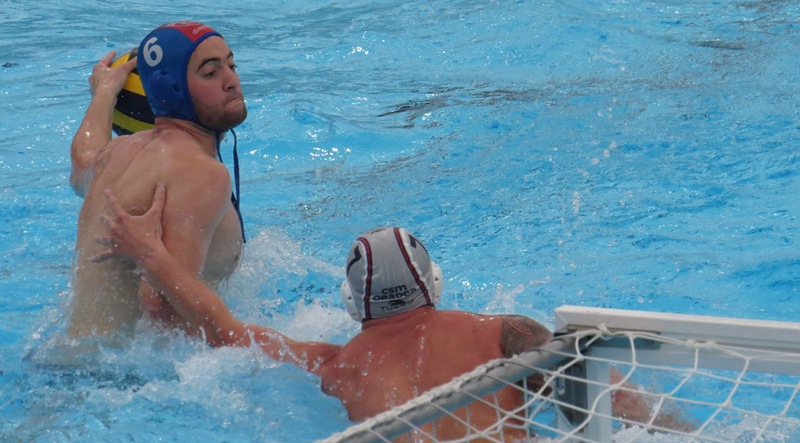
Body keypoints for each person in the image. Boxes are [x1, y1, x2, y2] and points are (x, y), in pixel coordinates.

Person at [94, 189, 694, 440]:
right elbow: (605, 390)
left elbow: (225, 331)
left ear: (353, 303)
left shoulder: (336, 366)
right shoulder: (503, 334)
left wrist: (149, 253)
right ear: (434, 283)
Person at [68, 21, 247, 338]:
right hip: (131, 366)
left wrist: (105, 92)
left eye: (231, 66)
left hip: (67, 356)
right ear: (171, 90)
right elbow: (163, 311)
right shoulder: (200, 173)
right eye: (211, 73)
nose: (232, 81)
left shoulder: (119, 152)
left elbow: (82, 164)